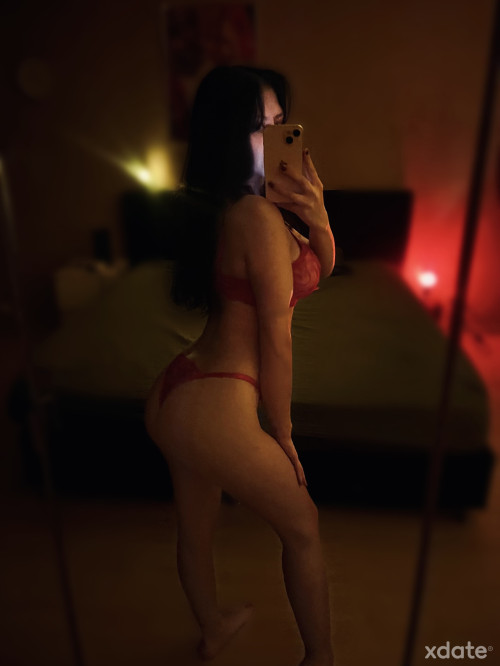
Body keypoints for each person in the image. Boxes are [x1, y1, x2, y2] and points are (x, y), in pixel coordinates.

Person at [144, 65, 336, 666]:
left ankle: (213, 628)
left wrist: (317, 213)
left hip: (181, 392)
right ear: (227, 136)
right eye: (258, 126)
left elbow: (320, 270)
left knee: (196, 527)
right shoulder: (254, 217)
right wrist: (282, 432)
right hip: (215, 400)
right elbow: (277, 341)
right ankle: (321, 659)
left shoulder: (250, 208)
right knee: (303, 529)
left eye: (280, 122)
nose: (275, 136)